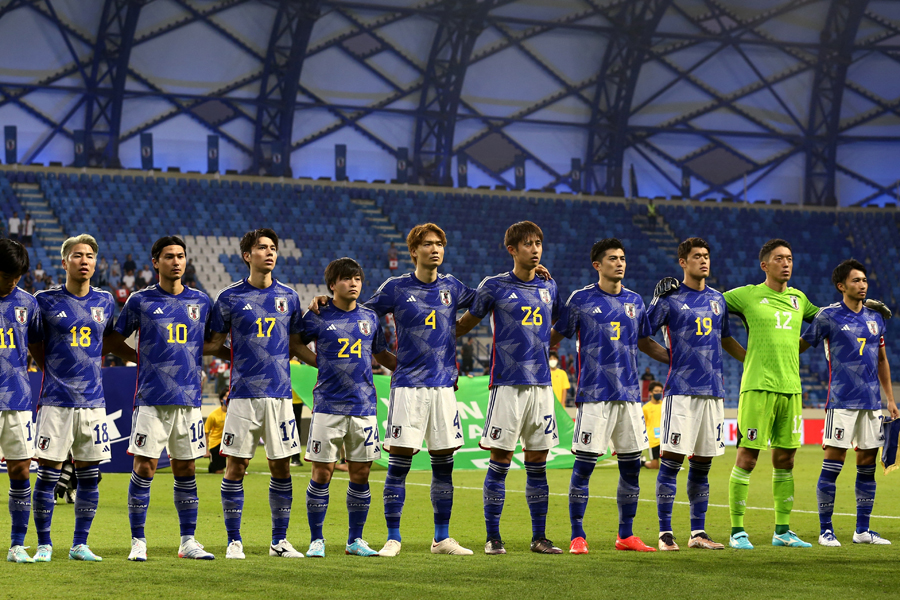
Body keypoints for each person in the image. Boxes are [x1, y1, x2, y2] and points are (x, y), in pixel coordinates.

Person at [549, 238, 669, 554]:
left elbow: (645, 342)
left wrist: (676, 357)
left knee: (631, 467)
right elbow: (554, 337)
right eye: (613, 258)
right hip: (594, 395)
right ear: (597, 265)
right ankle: (578, 535)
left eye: (623, 258)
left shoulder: (635, 301)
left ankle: (625, 535)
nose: (620, 263)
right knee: (585, 466)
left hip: (629, 396)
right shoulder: (581, 300)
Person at [204, 228, 317, 560]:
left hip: (281, 395)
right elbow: (213, 343)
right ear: (246, 256)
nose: (269, 253)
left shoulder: (290, 297)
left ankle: (278, 542)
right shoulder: (229, 298)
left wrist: (324, 365)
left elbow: (297, 345)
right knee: (235, 467)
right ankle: (233, 541)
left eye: (273, 248)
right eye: (261, 248)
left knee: (281, 467)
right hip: (241, 397)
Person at [455, 221, 562, 555]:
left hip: (542, 387)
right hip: (506, 385)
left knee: (538, 462)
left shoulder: (549, 286)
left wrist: (548, 348)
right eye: (528, 244)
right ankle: (493, 537)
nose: (535, 249)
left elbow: (559, 324)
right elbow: (463, 325)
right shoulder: (494, 287)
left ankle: (539, 537)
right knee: (500, 460)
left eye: (538, 243)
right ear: (512, 249)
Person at [107, 236, 215, 561]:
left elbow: (211, 341)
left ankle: (188, 541)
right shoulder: (140, 300)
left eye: (181, 256)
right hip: (151, 398)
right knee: (145, 466)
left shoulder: (202, 301)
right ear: (156, 262)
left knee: (186, 468)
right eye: (169, 256)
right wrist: (140, 359)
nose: (176, 262)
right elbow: (114, 339)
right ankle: (138, 541)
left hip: (189, 400)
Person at [29, 234, 133, 562]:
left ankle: (79, 544)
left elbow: (109, 341)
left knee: (89, 476)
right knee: (47, 475)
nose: (84, 260)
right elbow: (34, 343)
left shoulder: (104, 301)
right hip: (56, 401)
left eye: (89, 255)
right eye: (77, 255)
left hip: (93, 403)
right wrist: (53, 368)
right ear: (64, 262)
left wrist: (142, 358)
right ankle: (44, 544)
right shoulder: (43, 300)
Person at [648, 237, 746, 551]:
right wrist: (668, 356)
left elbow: (726, 338)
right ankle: (665, 533)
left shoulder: (718, 300)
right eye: (696, 256)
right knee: (672, 462)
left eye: (706, 255)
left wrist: (750, 358)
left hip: (713, 392)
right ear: (683, 262)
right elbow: (643, 330)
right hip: (681, 392)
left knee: (703, 464)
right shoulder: (670, 298)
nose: (703, 261)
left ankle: (698, 533)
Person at [301, 257, 397, 558]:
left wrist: (410, 370)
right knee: (322, 473)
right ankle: (317, 539)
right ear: (332, 285)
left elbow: (380, 353)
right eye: (346, 279)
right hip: (328, 405)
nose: (353, 283)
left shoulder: (369, 317)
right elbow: (295, 343)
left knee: (361, 473)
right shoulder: (318, 314)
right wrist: (320, 363)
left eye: (357, 278)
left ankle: (355, 540)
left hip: (364, 405)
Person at [800, 259, 898, 546]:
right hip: (841, 402)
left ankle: (862, 531)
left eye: (865, 279)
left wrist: (890, 399)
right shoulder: (828, 316)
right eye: (856, 280)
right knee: (833, 464)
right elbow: (801, 345)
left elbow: (882, 360)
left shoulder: (876, 318)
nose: (863, 284)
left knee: (867, 465)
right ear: (841, 286)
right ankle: (825, 530)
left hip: (871, 404)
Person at [0, 239, 42, 562]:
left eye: (18, 275)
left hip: (17, 398)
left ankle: (17, 544)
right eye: (7, 274)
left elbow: (39, 349)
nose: (13, 281)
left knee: (21, 470)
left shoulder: (28, 303)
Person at [205, 389, 228, 474]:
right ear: (222, 399)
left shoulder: (234, 414)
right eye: (226, 396)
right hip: (216, 443)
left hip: (229, 442)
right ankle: (212, 467)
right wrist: (205, 450)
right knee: (218, 471)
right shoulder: (214, 415)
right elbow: (206, 432)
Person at [642, 382, 663, 470]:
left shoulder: (665, 405)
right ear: (650, 392)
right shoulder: (645, 408)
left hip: (664, 439)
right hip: (652, 440)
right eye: (656, 391)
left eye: (660, 391)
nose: (658, 393)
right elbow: (643, 425)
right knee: (655, 467)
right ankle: (643, 462)